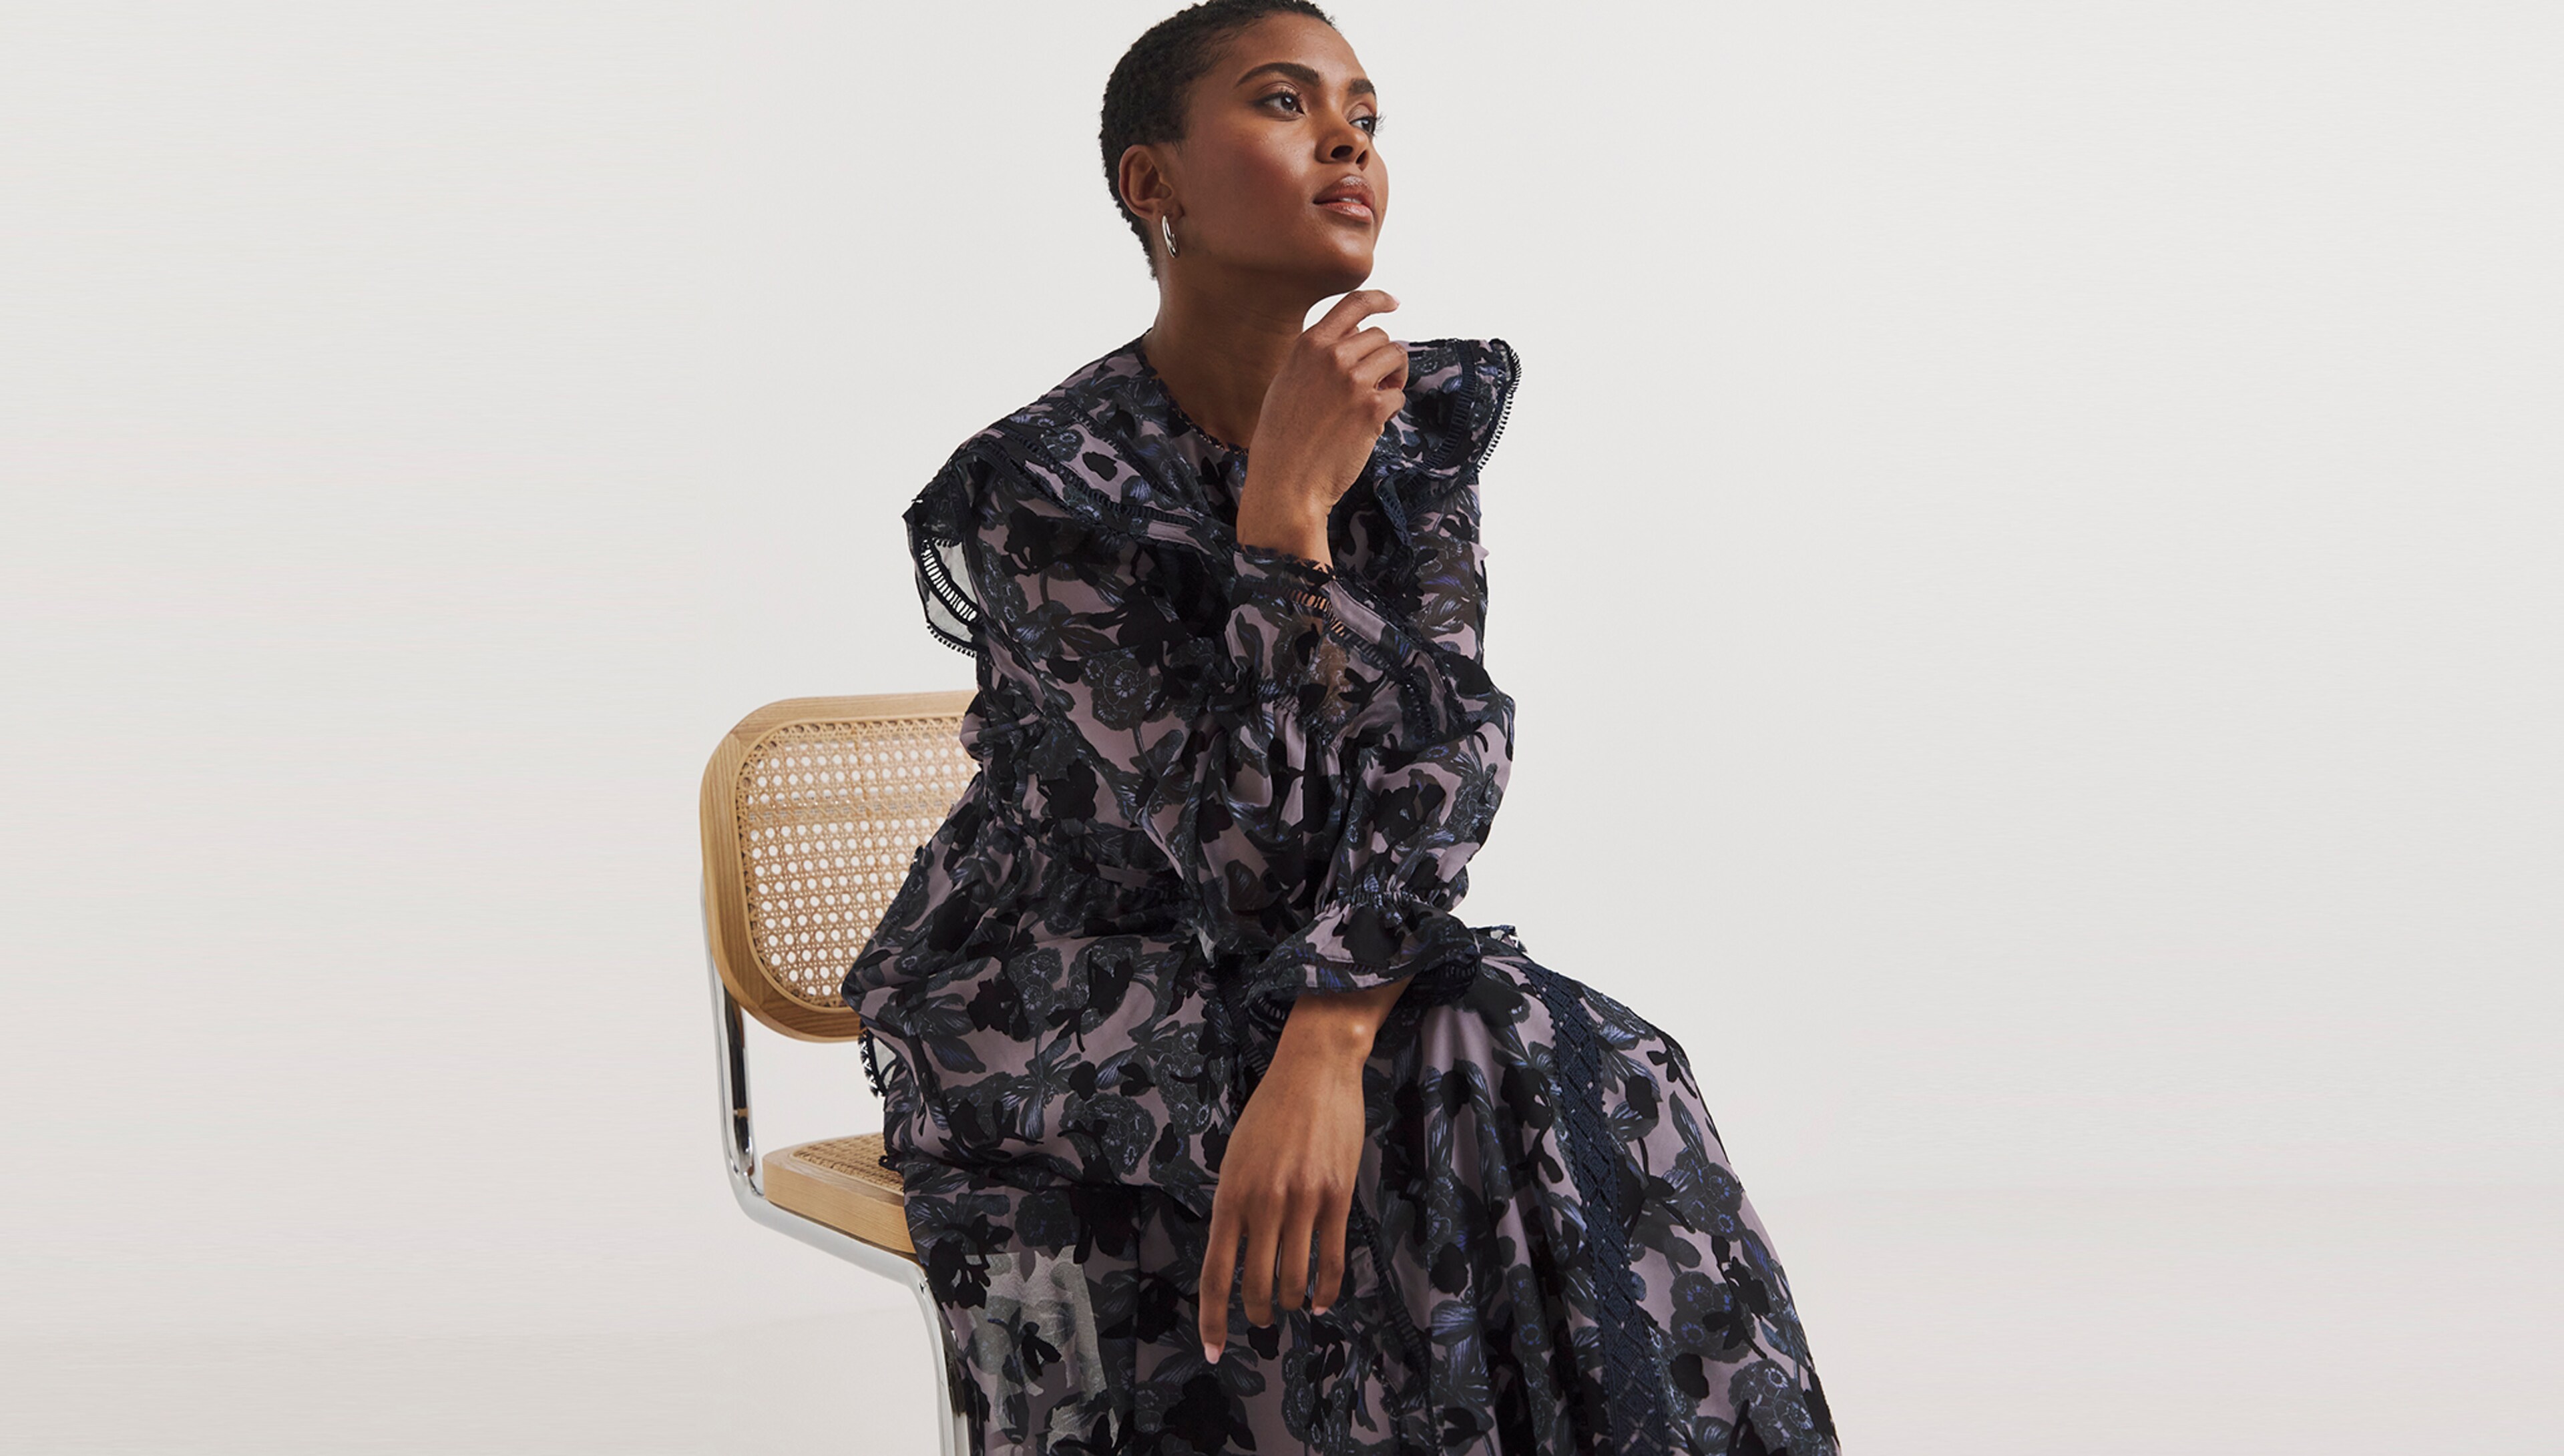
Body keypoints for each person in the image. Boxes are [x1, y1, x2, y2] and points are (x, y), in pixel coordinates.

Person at [842, 4, 1839, 1452]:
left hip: (1309, 969)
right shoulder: (1045, 487)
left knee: (1569, 1053)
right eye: (1284, 102)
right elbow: (1241, 860)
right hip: (1056, 979)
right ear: (1154, 184)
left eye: (1365, 113)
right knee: (1454, 1067)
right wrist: (1285, 520)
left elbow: (1445, 760)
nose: (1347, 140)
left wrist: (1327, 1030)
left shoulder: (1412, 431)